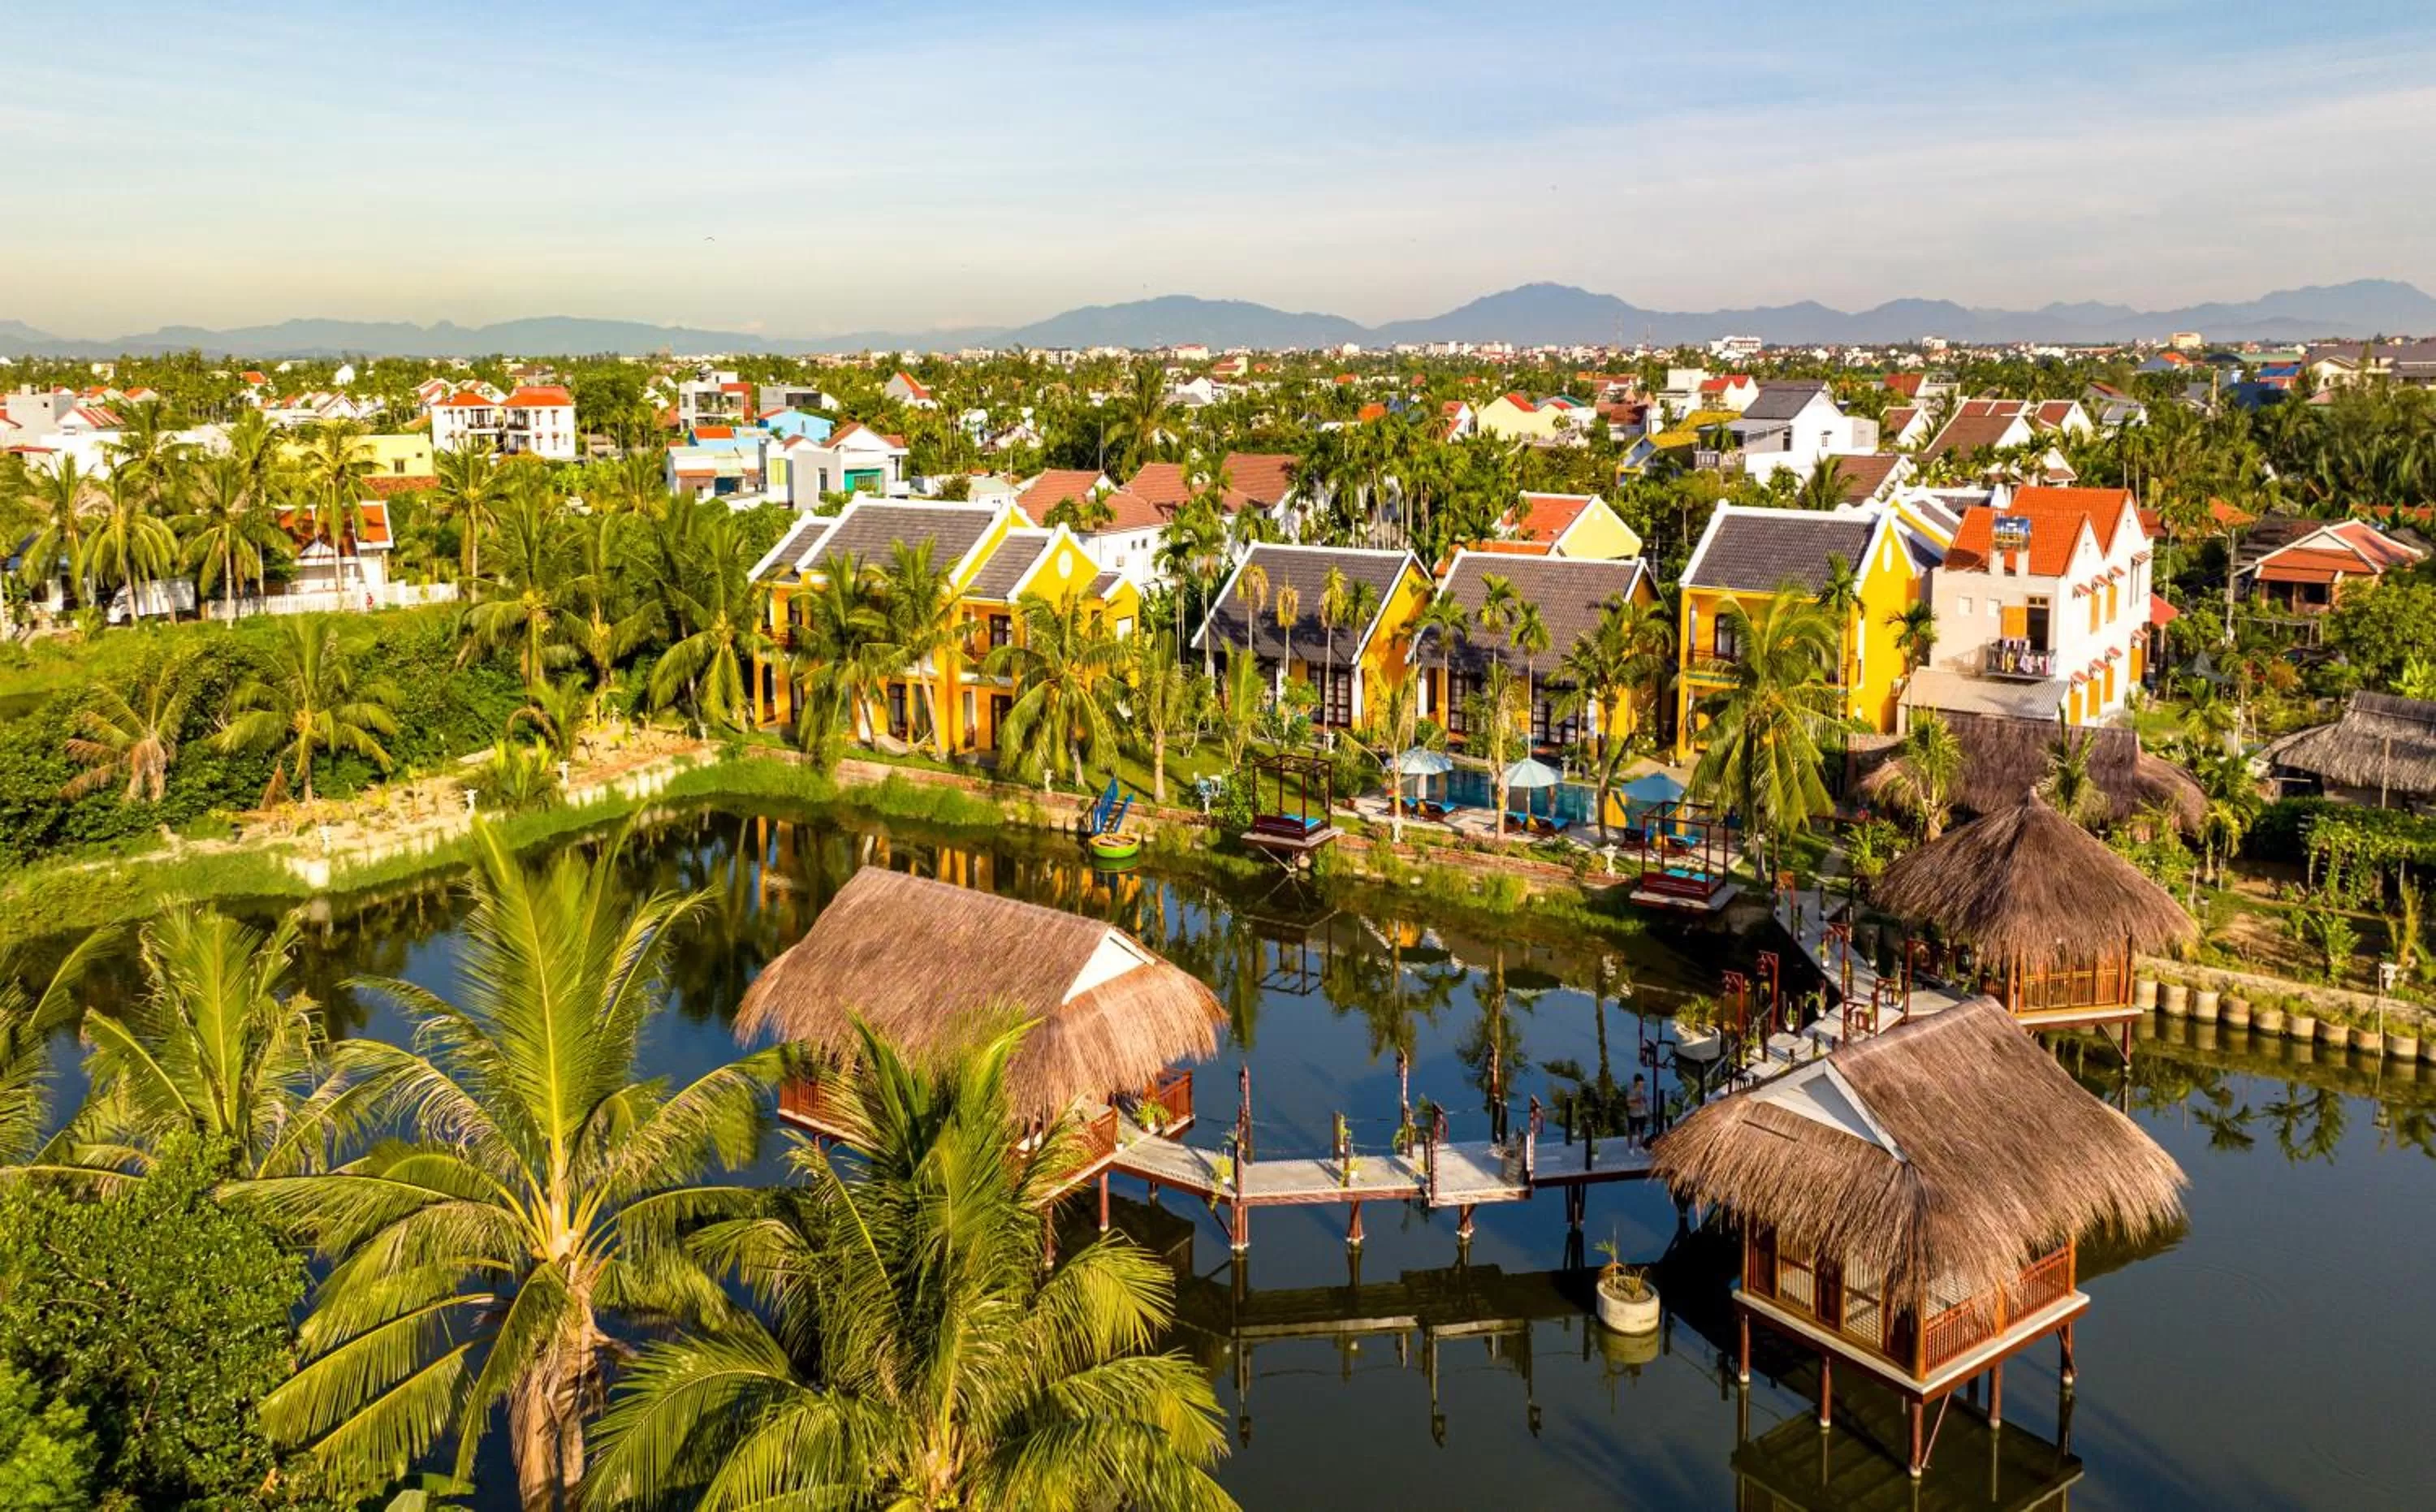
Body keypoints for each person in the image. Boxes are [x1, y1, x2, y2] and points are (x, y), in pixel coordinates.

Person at [1626, 1074, 1650, 1143]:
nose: (1642, 1083)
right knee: (1631, 1130)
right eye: (1641, 1082)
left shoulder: (1642, 1090)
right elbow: (1629, 1103)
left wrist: (1646, 1108)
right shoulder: (1632, 1091)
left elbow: (1644, 1101)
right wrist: (1637, 1100)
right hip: (1633, 1113)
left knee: (1641, 1130)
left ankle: (1640, 1143)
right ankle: (1630, 1146)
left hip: (1642, 1113)